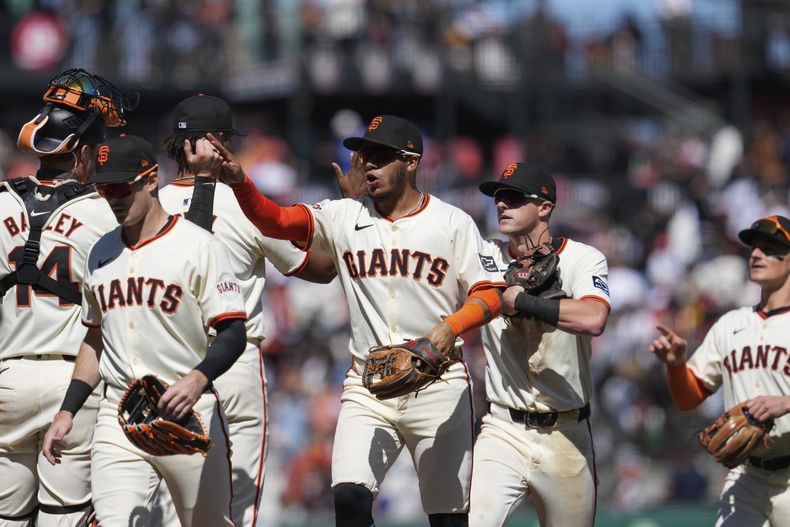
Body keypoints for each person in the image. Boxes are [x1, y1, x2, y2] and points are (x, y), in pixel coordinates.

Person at [207, 114, 503, 527]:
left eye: (380, 157)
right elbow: (274, 220)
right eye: (364, 156)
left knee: (448, 519)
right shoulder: (344, 216)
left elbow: (490, 293)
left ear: (411, 162)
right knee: (348, 497)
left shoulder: (452, 223)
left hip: (439, 381)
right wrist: (241, 181)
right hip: (369, 384)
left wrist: (450, 327)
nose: (368, 165)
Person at [41, 135, 247, 527]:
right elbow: (95, 338)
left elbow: (234, 331)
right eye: (104, 189)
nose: (112, 198)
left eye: (120, 187)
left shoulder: (198, 245)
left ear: (150, 180)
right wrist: (67, 410)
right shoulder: (100, 252)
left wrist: (197, 379)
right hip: (119, 415)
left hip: (188, 414)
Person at [154, 93, 336, 527]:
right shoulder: (244, 202)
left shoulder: (149, 204)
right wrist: (343, 224)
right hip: (233, 360)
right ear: (212, 142)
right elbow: (318, 270)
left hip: (163, 361)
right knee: (237, 506)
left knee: (166, 506)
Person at [0, 68, 134, 527]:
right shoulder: (104, 211)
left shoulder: (0, 201)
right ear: (81, 151)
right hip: (72, 380)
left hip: (8, 375)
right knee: (65, 517)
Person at [469, 163, 611, 526]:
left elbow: (594, 318)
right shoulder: (484, 255)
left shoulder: (582, 258)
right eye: (498, 198)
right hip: (503, 427)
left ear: (545, 207)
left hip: (566, 433)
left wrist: (526, 302)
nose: (502, 205)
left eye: (514, 198)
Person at [648, 215, 790, 527]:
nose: (756, 254)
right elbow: (689, 399)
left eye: (770, 248)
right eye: (753, 248)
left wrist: (786, 402)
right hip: (746, 477)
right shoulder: (731, 324)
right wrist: (675, 366)